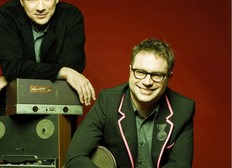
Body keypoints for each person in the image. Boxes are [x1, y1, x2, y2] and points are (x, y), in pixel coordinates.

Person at [65, 38, 196, 168]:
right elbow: (75, 158)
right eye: (140, 72)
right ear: (130, 71)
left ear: (168, 77)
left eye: (157, 75)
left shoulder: (183, 109)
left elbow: (180, 165)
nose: (147, 82)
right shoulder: (108, 101)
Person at [0, 0, 96, 115]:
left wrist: (14, 75)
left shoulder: (71, 16)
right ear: (21, 0)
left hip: (58, 108)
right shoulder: (8, 14)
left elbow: (72, 67)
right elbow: (12, 67)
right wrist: (63, 71)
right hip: (13, 108)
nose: (40, 7)